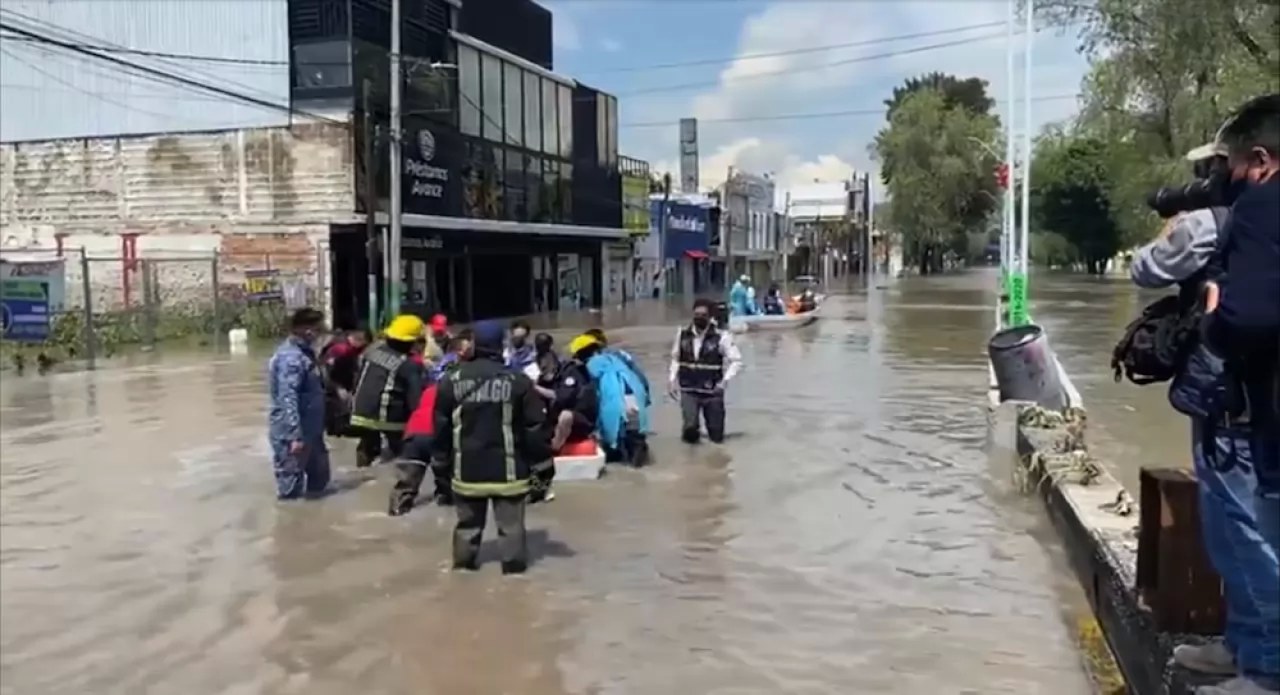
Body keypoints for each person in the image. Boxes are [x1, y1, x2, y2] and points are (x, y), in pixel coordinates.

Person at [1130, 143, 1267, 684]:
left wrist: (1170, 231)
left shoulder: (1210, 223)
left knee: (1238, 526)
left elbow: (1147, 269)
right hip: (1255, 390)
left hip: (1226, 390)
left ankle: (1260, 660)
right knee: (1244, 522)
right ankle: (1243, 645)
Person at [1192, 94, 1280, 695]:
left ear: (1261, 159)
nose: (1227, 179)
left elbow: (1244, 316)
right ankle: (1248, 646)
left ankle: (1266, 667)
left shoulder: (1261, 206)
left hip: (1258, 403)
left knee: (1250, 529)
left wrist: (1211, 320)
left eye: (1231, 165)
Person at [431, 320, 554, 574]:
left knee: (467, 528)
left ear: (473, 344)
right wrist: (543, 466)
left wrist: (441, 465)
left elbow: (441, 429)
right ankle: (514, 583)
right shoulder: (518, 382)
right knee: (511, 530)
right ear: (501, 345)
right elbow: (534, 428)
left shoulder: (450, 381)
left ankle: (463, 579)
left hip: (466, 472)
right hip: (509, 473)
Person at [388, 339, 467, 516]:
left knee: (406, 483)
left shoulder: (429, 389)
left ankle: (396, 510)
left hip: (413, 435)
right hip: (436, 435)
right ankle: (444, 505)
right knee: (446, 481)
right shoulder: (457, 392)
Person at [266, 308, 330, 500]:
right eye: (319, 328)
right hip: (293, 433)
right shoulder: (291, 358)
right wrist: (295, 436)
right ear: (307, 330)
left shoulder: (306, 353)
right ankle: (290, 526)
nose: (322, 332)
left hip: (312, 429)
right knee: (291, 488)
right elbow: (288, 397)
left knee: (320, 479)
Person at [349, 314, 428, 467]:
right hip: (389, 420)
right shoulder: (408, 365)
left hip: (359, 413)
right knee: (403, 454)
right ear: (413, 342)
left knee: (368, 447)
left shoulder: (371, 351)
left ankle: (365, 463)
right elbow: (415, 401)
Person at [668, 298, 743, 444]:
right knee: (690, 429)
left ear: (710, 317)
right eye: (696, 314)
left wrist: (725, 381)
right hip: (688, 389)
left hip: (712, 391)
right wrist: (672, 380)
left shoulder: (722, 337)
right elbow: (675, 359)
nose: (699, 318)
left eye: (703, 315)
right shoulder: (682, 334)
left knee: (716, 437)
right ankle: (690, 460)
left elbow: (736, 361)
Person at [581, 330, 651, 465]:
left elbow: (589, 390)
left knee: (611, 444)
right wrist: (646, 397)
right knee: (636, 442)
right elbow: (640, 376)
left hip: (612, 405)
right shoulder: (622, 355)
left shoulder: (592, 363)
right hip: (633, 399)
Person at [550, 334, 601, 452]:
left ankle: (554, 449)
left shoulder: (576, 372)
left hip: (585, 421)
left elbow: (563, 397)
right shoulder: (583, 372)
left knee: (566, 416)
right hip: (584, 419)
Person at [320, 326, 371, 436]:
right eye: (364, 345)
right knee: (336, 403)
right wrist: (337, 387)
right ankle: (334, 429)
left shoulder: (350, 348)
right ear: (359, 340)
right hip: (332, 380)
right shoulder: (341, 349)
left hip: (340, 377)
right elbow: (326, 371)